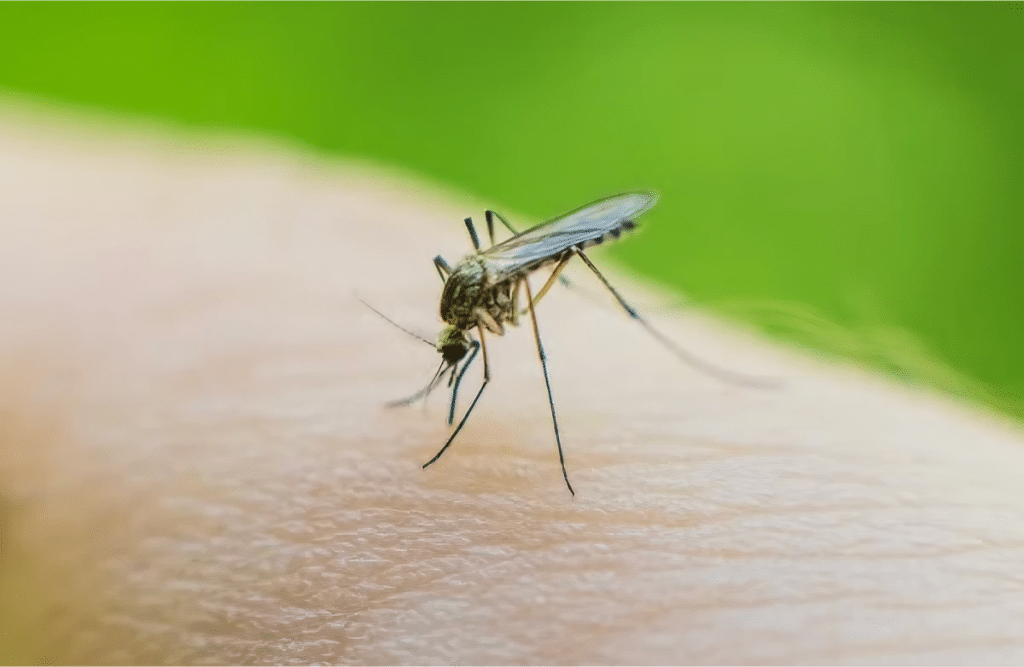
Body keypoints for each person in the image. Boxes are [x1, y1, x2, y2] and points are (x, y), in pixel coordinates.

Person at [3, 109, 1024, 664]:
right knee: (488, 270)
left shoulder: (483, 305)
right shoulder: (461, 313)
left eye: (447, 357)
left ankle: (658, 338)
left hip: (545, 247)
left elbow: (493, 318)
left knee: (527, 324)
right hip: (505, 263)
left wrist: (499, 318)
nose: (453, 353)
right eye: (448, 356)